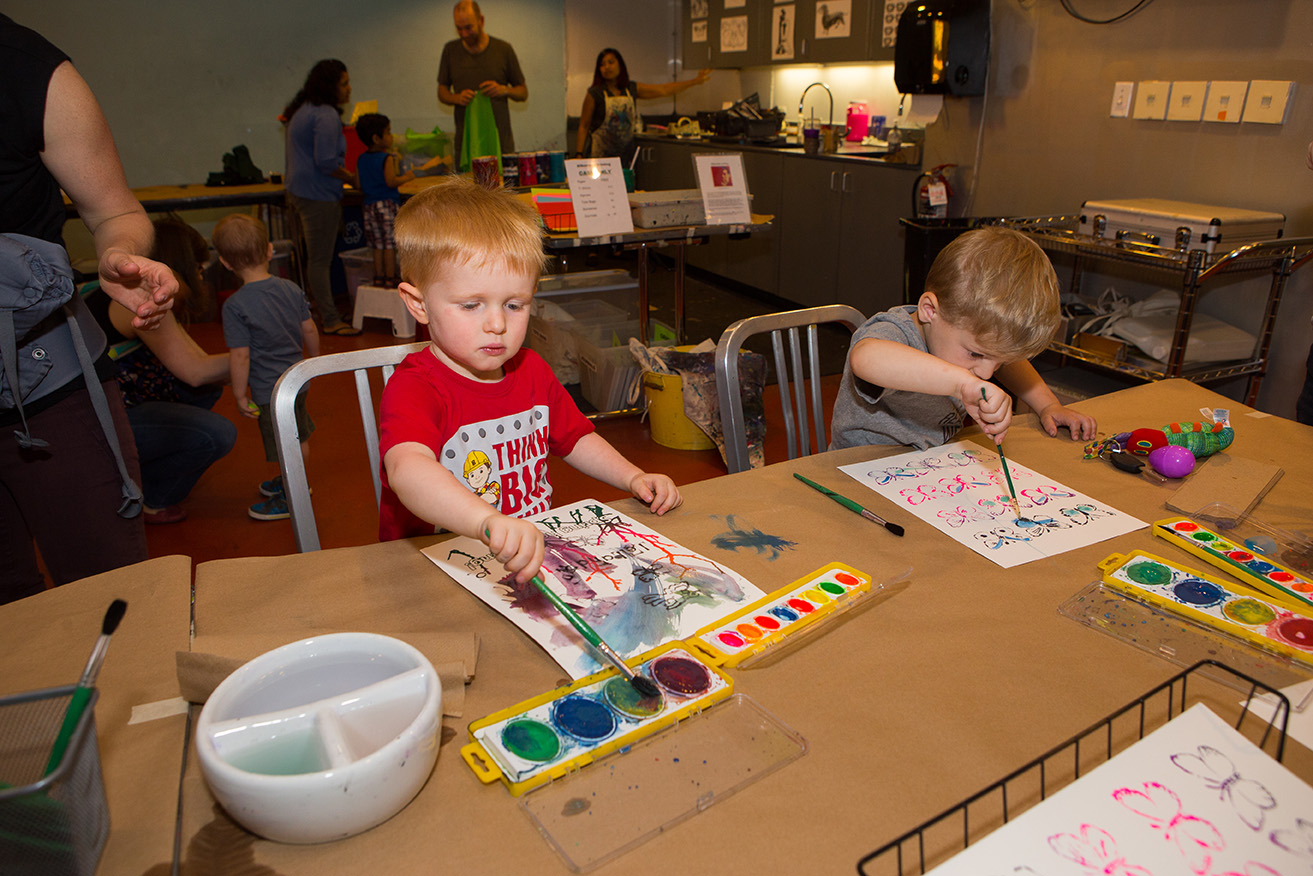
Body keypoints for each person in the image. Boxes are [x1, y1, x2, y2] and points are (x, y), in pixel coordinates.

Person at [379, 176, 682, 583]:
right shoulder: (415, 387)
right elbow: (408, 470)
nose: (497, 324)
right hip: (436, 568)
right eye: (471, 305)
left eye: (514, 304)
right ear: (419, 304)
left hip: (526, 558)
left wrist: (632, 476)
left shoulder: (532, 370)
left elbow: (575, 438)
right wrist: (487, 521)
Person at [1, 13, 177, 603]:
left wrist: (119, 257)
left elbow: (112, 212)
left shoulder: (31, 71)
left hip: (43, 379)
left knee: (105, 592)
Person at [830, 226, 1097, 451]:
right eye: (976, 354)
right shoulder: (895, 333)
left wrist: (1048, 405)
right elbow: (866, 359)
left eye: (998, 363)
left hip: (927, 470)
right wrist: (962, 385)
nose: (985, 372)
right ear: (929, 311)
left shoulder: (971, 348)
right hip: (857, 472)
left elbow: (1007, 361)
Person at [83, 217, 236, 525]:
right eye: (199, 268)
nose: (200, 277)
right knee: (217, 433)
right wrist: (259, 357)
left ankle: (139, 470)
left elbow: (199, 361)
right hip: (93, 424)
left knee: (207, 388)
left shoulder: (130, 290)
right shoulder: (144, 296)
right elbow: (195, 370)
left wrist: (243, 366)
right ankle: (153, 494)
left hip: (105, 403)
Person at [214, 213, 320, 521]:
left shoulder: (235, 305)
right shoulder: (290, 288)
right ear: (270, 250)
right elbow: (309, 329)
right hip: (299, 380)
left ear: (224, 262)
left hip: (269, 390)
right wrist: (313, 362)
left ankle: (294, 495)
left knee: (288, 442)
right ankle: (295, 482)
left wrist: (238, 395)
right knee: (298, 434)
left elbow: (240, 356)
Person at [282, 58, 361, 336]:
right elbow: (326, 161)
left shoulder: (304, 109)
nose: (349, 88)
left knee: (315, 258)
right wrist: (352, 177)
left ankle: (323, 310)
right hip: (317, 194)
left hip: (301, 191)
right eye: (344, 83)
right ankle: (329, 319)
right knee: (320, 260)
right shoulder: (325, 114)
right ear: (330, 86)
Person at [354, 113, 445, 288]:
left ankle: (379, 277)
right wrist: (407, 176)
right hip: (386, 205)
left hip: (369, 206)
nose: (391, 136)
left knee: (377, 245)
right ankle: (391, 277)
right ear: (376, 138)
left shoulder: (361, 159)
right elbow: (391, 181)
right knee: (389, 244)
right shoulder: (385, 158)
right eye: (388, 132)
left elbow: (358, 183)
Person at [577, 48, 712, 161]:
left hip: (625, 157)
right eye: (602, 64)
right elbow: (584, 125)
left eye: (610, 62)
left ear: (620, 64)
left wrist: (695, 81)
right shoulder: (594, 94)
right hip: (599, 157)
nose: (607, 67)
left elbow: (664, 89)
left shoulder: (631, 89)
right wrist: (579, 154)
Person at [438, 1, 527, 167]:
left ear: (481, 21)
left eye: (468, 27)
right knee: (467, 190)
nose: (464, 33)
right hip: (466, 144)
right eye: (459, 28)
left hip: (501, 144)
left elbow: (523, 92)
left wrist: (503, 90)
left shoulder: (503, 49)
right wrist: (457, 98)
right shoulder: (450, 50)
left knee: (501, 189)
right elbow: (442, 91)